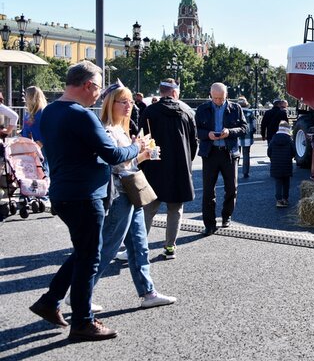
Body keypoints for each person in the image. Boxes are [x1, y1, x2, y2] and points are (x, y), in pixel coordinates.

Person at [29, 61, 146, 341]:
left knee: (83, 251)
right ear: (88, 86)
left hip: (63, 192)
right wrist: (137, 147)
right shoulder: (82, 115)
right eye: (98, 89)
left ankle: (49, 301)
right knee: (90, 257)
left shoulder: (49, 112)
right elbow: (114, 155)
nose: (99, 95)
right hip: (85, 195)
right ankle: (82, 321)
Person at [95, 81, 176, 308]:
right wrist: (137, 151)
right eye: (123, 101)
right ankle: (81, 292)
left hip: (132, 192)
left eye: (130, 101)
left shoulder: (121, 128)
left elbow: (127, 163)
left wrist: (143, 155)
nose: (129, 105)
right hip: (120, 194)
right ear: (111, 103)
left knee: (139, 245)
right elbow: (115, 163)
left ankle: (148, 293)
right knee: (109, 246)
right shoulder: (106, 129)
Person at [139, 78, 198, 260]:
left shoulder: (149, 111)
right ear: (174, 93)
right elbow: (194, 142)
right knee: (175, 210)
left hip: (155, 166)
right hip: (179, 167)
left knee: (148, 210)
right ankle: (170, 247)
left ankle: (140, 248)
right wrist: (187, 160)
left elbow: (142, 140)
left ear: (161, 91)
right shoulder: (187, 111)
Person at [195, 82, 247, 235]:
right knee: (208, 191)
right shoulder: (202, 109)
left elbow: (245, 128)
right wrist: (207, 135)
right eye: (215, 98)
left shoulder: (236, 108)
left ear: (227, 96)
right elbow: (196, 130)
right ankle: (209, 224)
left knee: (232, 187)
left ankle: (226, 215)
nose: (218, 101)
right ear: (210, 95)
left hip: (229, 152)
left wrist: (229, 132)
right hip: (210, 153)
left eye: (221, 98)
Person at [267, 120, 294, 207]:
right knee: (286, 183)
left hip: (276, 165)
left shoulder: (273, 139)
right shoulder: (289, 140)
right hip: (287, 165)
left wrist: (273, 158)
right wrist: (290, 157)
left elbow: (269, 152)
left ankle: (278, 200)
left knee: (278, 183)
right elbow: (294, 152)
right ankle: (285, 199)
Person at [237, 96, 257, 178]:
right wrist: (253, 131)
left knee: (235, 154)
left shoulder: (235, 111)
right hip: (247, 135)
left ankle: (234, 170)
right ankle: (245, 172)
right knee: (246, 154)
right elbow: (254, 124)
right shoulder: (250, 112)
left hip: (237, 134)